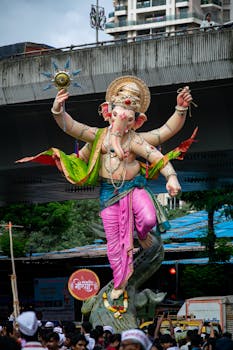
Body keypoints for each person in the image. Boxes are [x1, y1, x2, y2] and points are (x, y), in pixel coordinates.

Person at [17, 75, 194, 300]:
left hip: (133, 188)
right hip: (109, 194)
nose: (123, 124)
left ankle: (141, 234)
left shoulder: (135, 140)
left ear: (137, 121)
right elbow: (72, 127)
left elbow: (159, 147)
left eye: (129, 120)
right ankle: (120, 282)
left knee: (148, 219)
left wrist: (172, 176)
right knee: (114, 245)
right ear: (108, 113)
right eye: (120, 118)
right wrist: (58, 110)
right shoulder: (98, 137)